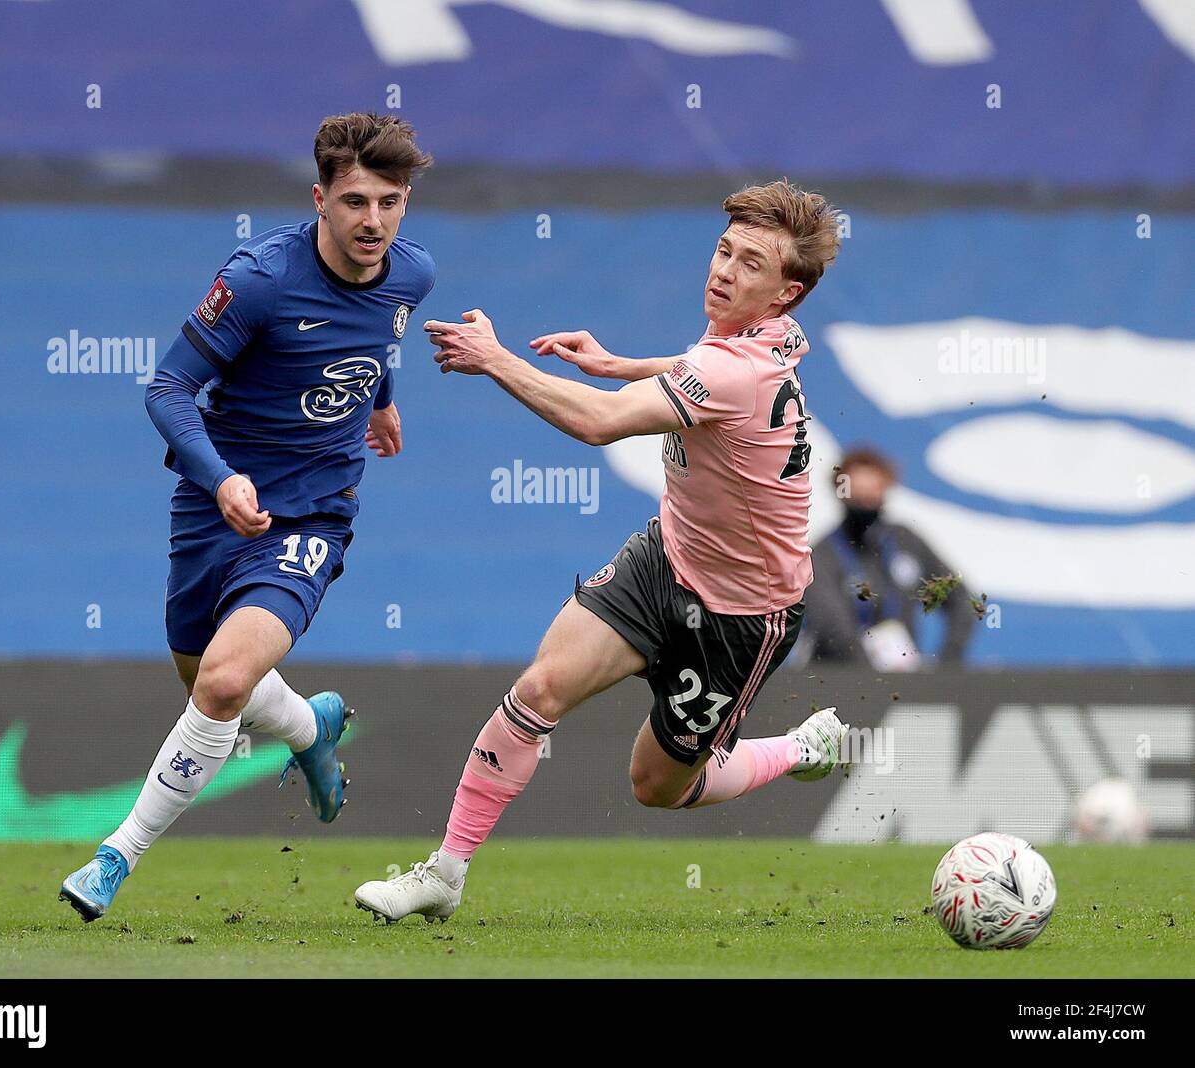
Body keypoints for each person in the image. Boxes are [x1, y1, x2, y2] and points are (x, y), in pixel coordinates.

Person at [355, 179, 849, 924]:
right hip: (666, 559)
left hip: (742, 616)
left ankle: (799, 749)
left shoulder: (736, 369)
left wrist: (495, 358)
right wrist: (618, 364)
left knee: (657, 785)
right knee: (541, 689)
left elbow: (600, 427)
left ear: (786, 292)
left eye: (751, 264)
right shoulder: (756, 344)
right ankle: (445, 873)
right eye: (724, 250)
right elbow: (698, 370)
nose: (723, 270)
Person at [59, 113, 436, 922]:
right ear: (321, 199)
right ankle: (310, 727)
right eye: (355, 201)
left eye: (391, 202)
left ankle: (114, 856)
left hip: (314, 513)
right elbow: (166, 390)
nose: (374, 221)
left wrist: (382, 400)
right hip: (214, 509)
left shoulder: (414, 274)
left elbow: (377, 338)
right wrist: (223, 479)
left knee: (228, 681)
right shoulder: (261, 278)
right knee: (207, 680)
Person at [804, 447, 976, 670]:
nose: (866, 501)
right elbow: (830, 625)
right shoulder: (824, 553)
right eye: (858, 494)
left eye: (873, 493)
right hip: (837, 680)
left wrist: (948, 664)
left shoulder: (905, 541)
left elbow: (960, 600)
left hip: (900, 679)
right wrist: (873, 673)